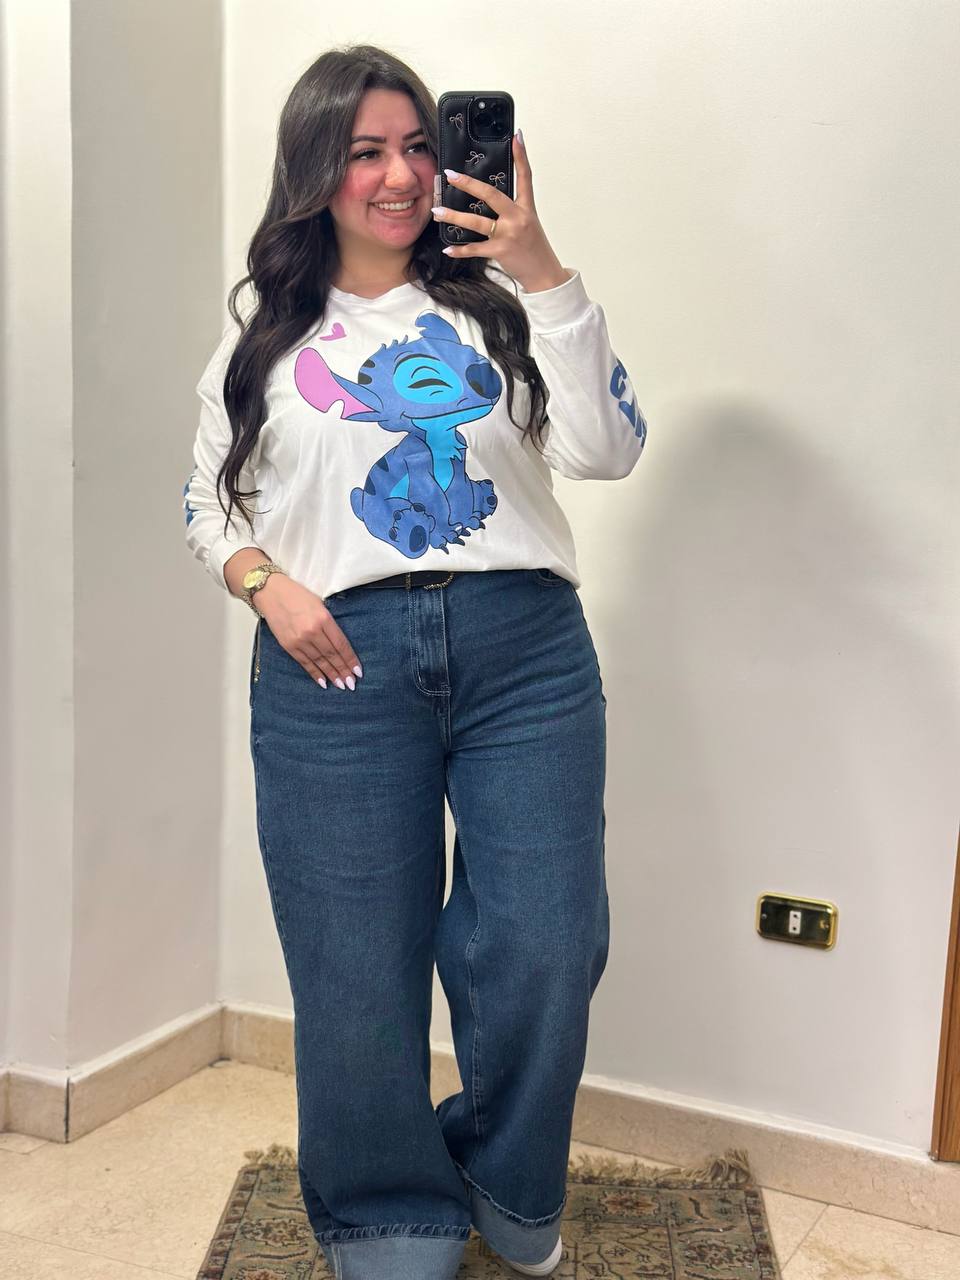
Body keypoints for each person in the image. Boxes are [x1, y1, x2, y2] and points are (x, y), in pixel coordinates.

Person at [183, 43, 647, 1280]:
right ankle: (387, 1208)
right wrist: (265, 583)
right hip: (335, 667)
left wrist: (541, 267)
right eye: (364, 152)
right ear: (315, 173)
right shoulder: (267, 336)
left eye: (417, 147)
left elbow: (610, 449)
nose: (398, 175)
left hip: (525, 656)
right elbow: (205, 500)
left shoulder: (503, 307)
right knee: (354, 963)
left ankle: (505, 1175)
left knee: (547, 938)